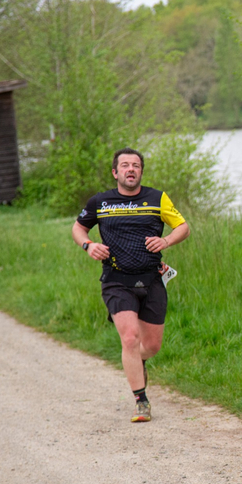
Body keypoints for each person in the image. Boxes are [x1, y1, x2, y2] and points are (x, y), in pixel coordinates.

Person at [72, 147, 189, 423]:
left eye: (135, 165)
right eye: (124, 165)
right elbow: (78, 228)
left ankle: (139, 362)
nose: (130, 169)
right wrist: (88, 245)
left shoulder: (157, 198)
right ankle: (141, 401)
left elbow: (183, 226)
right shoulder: (100, 202)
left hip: (151, 278)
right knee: (129, 339)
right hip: (116, 280)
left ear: (141, 172)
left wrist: (166, 241)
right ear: (115, 172)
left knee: (151, 345)